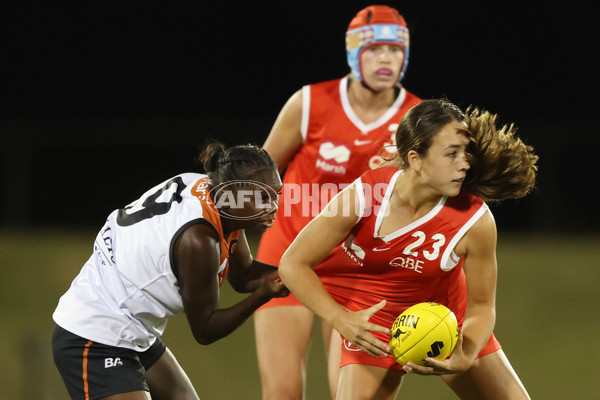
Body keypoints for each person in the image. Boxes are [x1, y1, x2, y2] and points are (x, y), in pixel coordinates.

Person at [278, 98, 537, 400]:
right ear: (415, 159)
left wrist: (467, 354)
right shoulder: (364, 196)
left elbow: (481, 305)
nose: (464, 163)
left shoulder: (475, 221)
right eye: (451, 153)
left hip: (447, 324)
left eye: (465, 153)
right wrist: (340, 319)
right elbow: (293, 263)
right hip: (376, 327)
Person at [254, 5, 421, 399]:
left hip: (358, 268)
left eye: (395, 50)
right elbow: (260, 174)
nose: (386, 58)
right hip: (288, 254)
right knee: (282, 392)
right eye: (374, 48)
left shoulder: (417, 118)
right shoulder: (309, 102)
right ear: (353, 53)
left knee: (352, 395)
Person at [51, 142, 290, 400]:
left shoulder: (218, 195)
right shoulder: (198, 240)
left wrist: (300, 271)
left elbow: (243, 275)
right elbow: (206, 329)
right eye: (263, 197)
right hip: (94, 333)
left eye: (275, 194)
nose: (274, 206)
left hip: (132, 327)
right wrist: (263, 295)